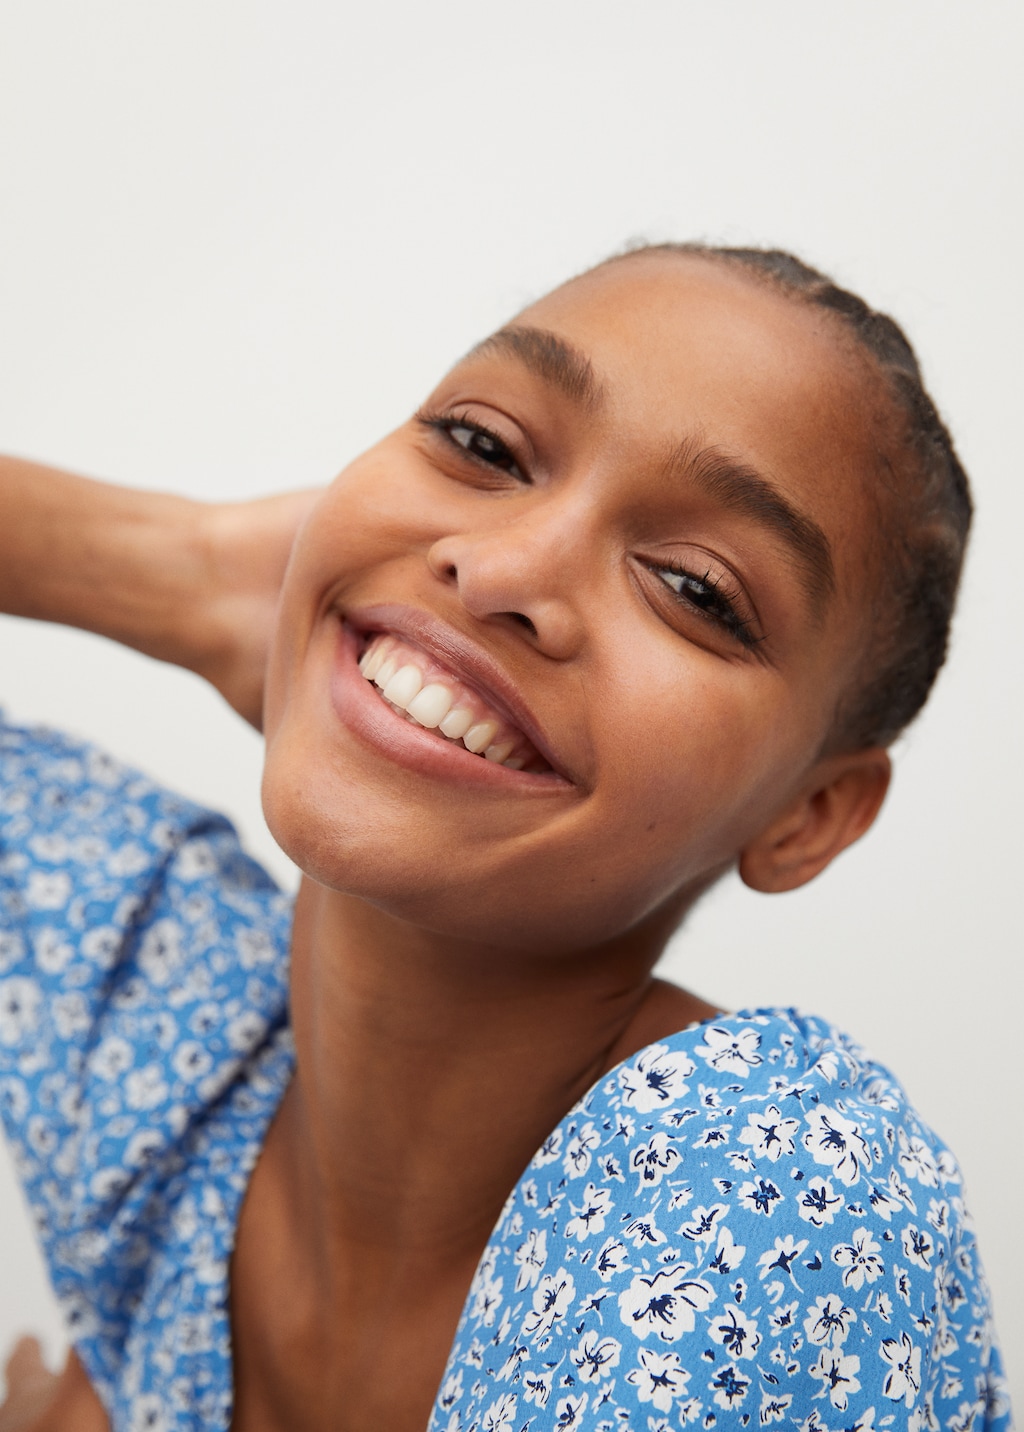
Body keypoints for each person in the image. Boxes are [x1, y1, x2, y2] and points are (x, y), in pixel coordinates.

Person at [0, 244, 1011, 1432]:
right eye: (482, 444)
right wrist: (191, 575)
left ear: (809, 814)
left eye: (694, 587)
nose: (500, 571)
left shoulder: (767, 1190)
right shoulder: (166, 1017)